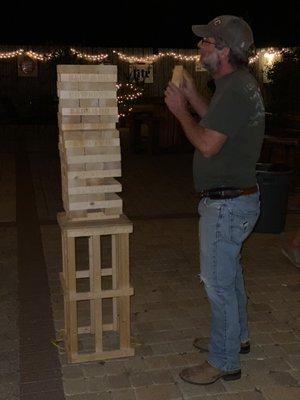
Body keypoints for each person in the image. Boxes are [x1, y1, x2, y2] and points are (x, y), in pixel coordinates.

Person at [165, 15, 265, 385]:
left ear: (223, 50)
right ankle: (235, 338)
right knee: (230, 275)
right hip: (236, 200)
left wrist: (180, 112)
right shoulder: (235, 85)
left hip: (226, 204)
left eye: (207, 42)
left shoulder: (235, 88)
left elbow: (208, 143)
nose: (200, 46)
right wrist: (192, 97)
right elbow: (220, 125)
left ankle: (223, 360)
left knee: (218, 283)